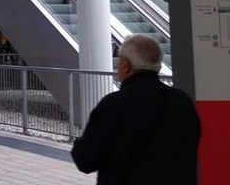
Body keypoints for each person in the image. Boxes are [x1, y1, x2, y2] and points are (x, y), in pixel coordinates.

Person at [71, 35, 201, 184]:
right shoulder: (182, 101)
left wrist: (80, 143)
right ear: (158, 66)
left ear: (126, 66)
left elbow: (86, 160)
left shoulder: (114, 104)